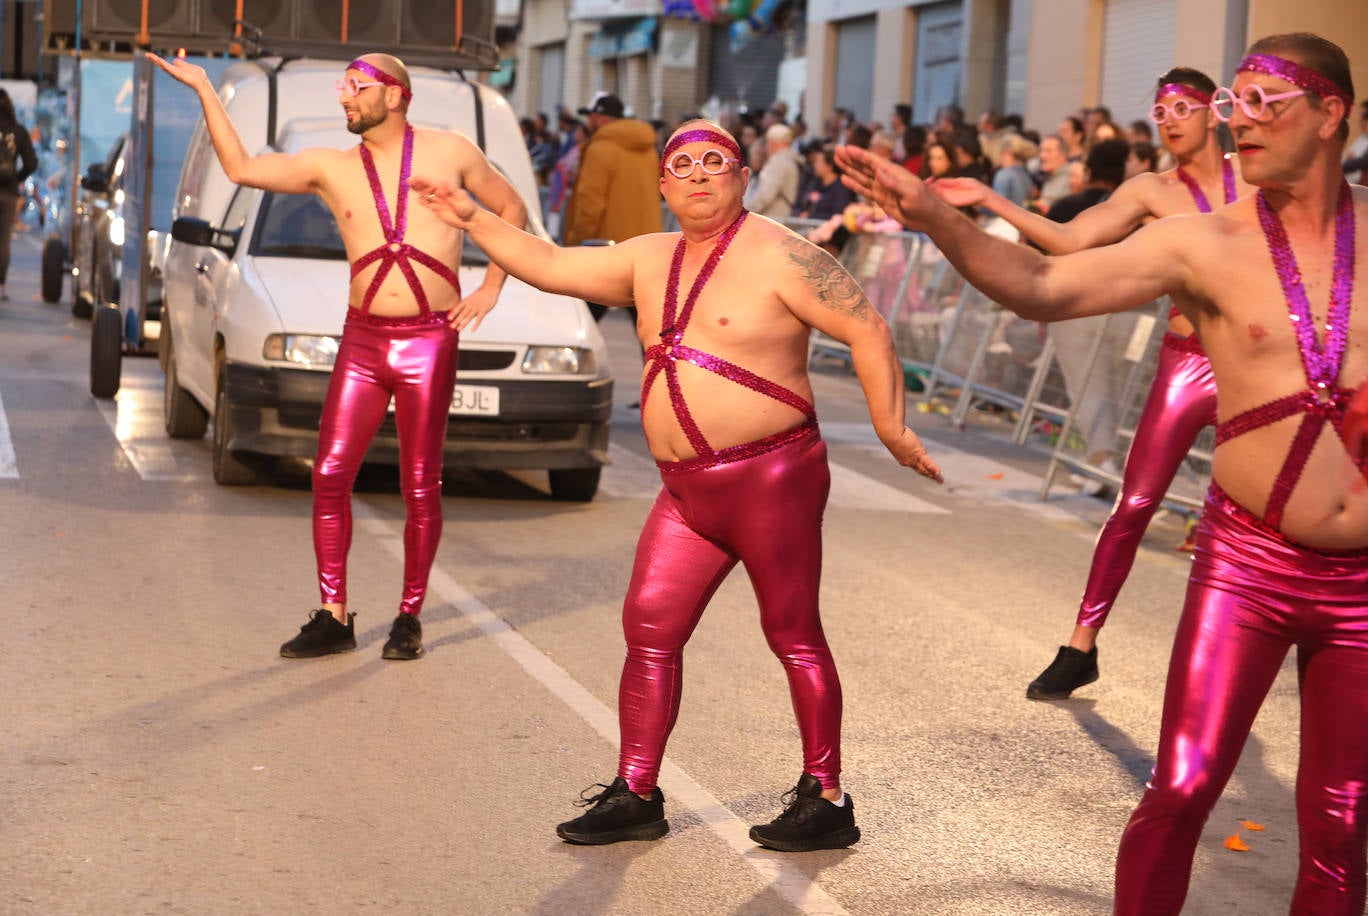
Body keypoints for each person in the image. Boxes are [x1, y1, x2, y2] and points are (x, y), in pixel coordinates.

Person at [839, 32, 1368, 913]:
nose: (1239, 120)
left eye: (1263, 102)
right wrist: (937, 216)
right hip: (1249, 566)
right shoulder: (1203, 242)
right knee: (1183, 789)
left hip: (1364, 590)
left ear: (1329, 113)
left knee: (1341, 828)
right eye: (1232, 101)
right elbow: (1044, 284)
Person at [413, 118, 944, 851]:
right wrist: (472, 218)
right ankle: (636, 791)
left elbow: (868, 329)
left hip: (774, 476)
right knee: (649, 628)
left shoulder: (785, 255)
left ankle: (826, 795)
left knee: (792, 632)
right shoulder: (647, 257)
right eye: (683, 164)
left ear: (743, 177)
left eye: (715, 161)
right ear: (663, 185)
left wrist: (891, 428)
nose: (698, 173)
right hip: (686, 492)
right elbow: (552, 263)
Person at [148, 52, 526, 660]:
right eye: (341, 85)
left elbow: (511, 208)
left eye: (356, 85)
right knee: (328, 474)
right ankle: (334, 615)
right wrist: (203, 89)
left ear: (394, 95)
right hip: (363, 339)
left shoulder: (452, 151)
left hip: (429, 340)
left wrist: (491, 286)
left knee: (420, 483)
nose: (343, 95)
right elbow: (242, 167)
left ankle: (409, 617)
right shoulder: (331, 166)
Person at [930, 68, 1252, 700]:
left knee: (1248, 514)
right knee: (1133, 503)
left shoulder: (1256, 173)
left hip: (1254, 363)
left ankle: (1236, 657)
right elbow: (1069, 240)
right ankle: (1081, 647)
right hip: (1187, 361)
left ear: (1213, 110)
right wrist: (991, 199)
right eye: (1160, 110)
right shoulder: (1150, 190)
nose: (1169, 120)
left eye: (1182, 107)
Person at [563, 92, 661, 328]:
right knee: (647, 324)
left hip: (607, 250)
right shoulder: (648, 149)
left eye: (591, 118)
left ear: (602, 119)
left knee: (582, 322)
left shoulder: (600, 149)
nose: (588, 123)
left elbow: (590, 205)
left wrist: (576, 245)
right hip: (646, 249)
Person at [0, 89, 38, 301]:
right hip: (8, 190)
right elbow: (31, 163)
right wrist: (17, 177)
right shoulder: (19, 131)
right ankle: (1, 286)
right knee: (4, 240)